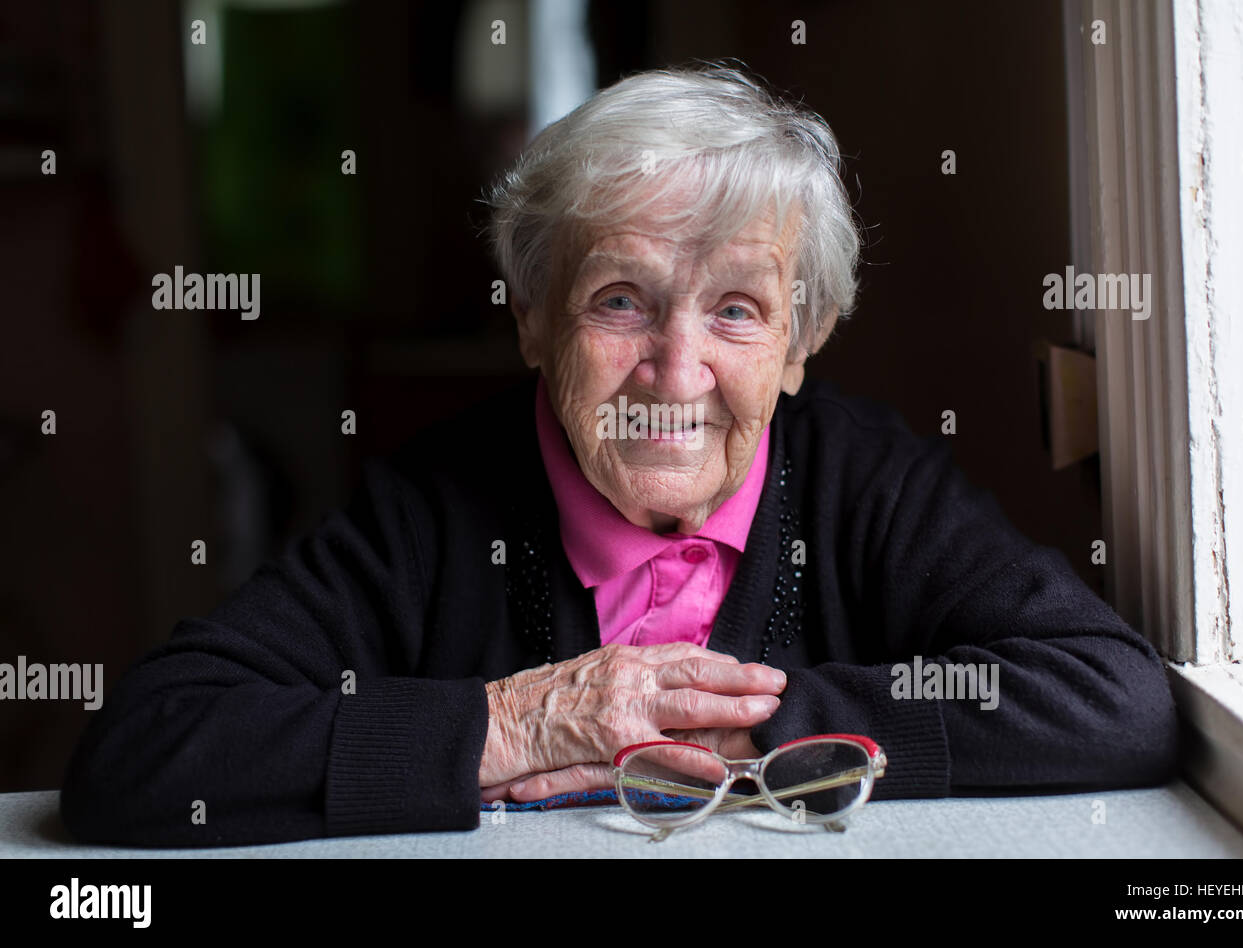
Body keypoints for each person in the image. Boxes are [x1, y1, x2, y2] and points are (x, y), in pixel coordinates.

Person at [60, 64, 1178, 846]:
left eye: (737, 310)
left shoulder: (861, 478)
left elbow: (1114, 697)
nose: (674, 368)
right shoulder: (436, 505)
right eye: (619, 300)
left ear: (803, 342)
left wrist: (762, 726)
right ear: (532, 319)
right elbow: (145, 755)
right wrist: (517, 722)